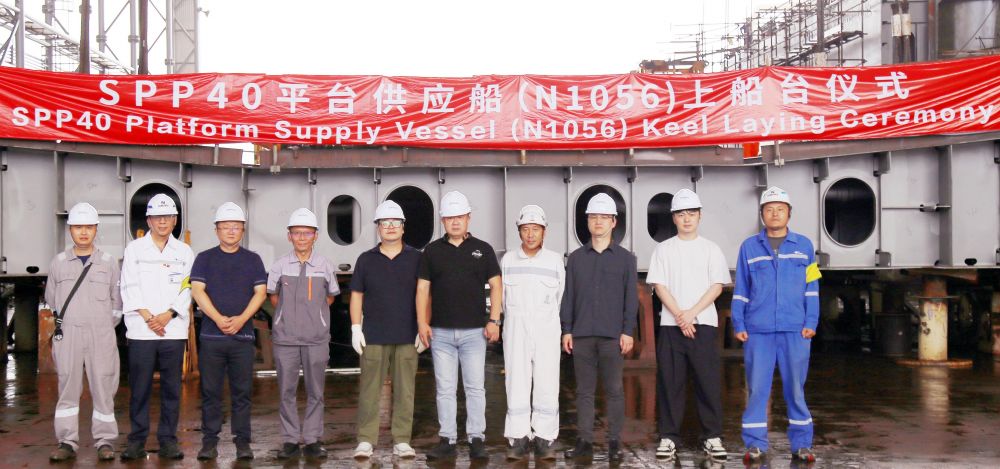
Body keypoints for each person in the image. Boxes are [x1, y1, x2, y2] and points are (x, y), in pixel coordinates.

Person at [732, 186, 821, 464]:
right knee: (757, 389)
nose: (774, 214)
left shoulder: (805, 247)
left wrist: (811, 320)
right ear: (762, 214)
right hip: (758, 330)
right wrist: (738, 321)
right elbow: (741, 289)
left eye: (780, 209)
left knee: (795, 388)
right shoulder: (749, 247)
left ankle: (802, 444)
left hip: (795, 329)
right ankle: (755, 444)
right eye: (769, 209)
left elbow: (812, 287)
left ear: (789, 213)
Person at [417, 190, 502, 461]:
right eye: (450, 217)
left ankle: (477, 439)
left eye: (460, 217)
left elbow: (497, 285)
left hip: (474, 333)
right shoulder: (431, 251)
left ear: (468, 218)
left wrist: (494, 320)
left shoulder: (483, 249)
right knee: (445, 389)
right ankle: (448, 440)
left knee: (475, 388)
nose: (455, 222)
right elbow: (423, 289)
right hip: (440, 333)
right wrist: (422, 323)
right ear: (443, 220)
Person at [646, 189, 730, 460]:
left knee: (707, 382)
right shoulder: (663, 250)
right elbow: (659, 286)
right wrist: (680, 315)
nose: (686, 219)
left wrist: (690, 313)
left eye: (691, 214)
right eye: (681, 214)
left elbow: (717, 286)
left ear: (700, 216)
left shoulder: (711, 249)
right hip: (672, 327)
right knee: (671, 383)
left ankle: (712, 436)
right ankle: (668, 437)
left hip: (703, 324)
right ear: (674, 218)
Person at [560, 193, 638, 463]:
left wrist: (628, 331)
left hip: (612, 336)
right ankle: (584, 442)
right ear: (587, 221)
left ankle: (614, 442)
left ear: (614, 222)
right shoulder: (576, 258)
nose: (598, 222)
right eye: (593, 217)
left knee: (614, 390)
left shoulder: (626, 259)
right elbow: (569, 296)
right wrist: (567, 329)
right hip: (582, 335)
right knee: (584, 391)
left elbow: (631, 298)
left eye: (604, 217)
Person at [119, 193, 195, 461]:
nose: (162, 221)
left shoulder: (184, 252)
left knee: (172, 390)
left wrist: (168, 315)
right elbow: (128, 285)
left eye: (168, 217)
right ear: (149, 220)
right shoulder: (134, 250)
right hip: (142, 330)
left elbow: (188, 287)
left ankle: (168, 441)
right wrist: (148, 317)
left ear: (175, 220)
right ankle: (136, 441)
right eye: (157, 217)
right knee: (139, 389)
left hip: (172, 330)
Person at [45, 202, 122, 462]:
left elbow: (117, 303)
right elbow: (52, 300)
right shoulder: (58, 263)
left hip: (101, 334)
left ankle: (105, 441)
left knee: (104, 386)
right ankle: (67, 441)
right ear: (70, 230)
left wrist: (101, 326)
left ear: (96, 229)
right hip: (68, 335)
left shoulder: (109, 263)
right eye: (78, 227)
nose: (84, 232)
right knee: (67, 386)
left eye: (89, 227)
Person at [190, 202, 267, 461]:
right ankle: (209, 442)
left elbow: (260, 293)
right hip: (212, 337)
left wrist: (241, 319)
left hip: (242, 338)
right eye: (226, 227)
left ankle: (242, 442)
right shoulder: (204, 258)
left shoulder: (252, 260)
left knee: (242, 393)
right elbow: (197, 290)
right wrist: (219, 319)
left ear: (243, 230)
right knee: (210, 393)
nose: (231, 231)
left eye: (236, 227)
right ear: (217, 230)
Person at [350, 200, 423, 460]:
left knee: (406, 390)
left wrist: (423, 326)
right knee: (370, 390)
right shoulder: (366, 259)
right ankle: (365, 440)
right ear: (378, 228)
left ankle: (402, 440)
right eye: (385, 222)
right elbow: (357, 295)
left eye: (395, 222)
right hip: (374, 336)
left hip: (408, 335)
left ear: (403, 227)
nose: (390, 226)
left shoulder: (417, 258)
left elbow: (425, 294)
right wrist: (356, 327)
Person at [267, 208, 340, 460]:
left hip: (316, 339)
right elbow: (273, 297)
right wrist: (288, 316)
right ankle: (289, 440)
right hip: (285, 339)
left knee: (315, 392)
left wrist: (314, 316)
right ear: (289, 236)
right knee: (286, 392)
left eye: (307, 233)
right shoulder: (279, 266)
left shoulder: (325, 266)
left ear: (315, 236)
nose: (301, 237)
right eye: (296, 233)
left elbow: (330, 297)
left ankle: (312, 440)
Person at [500, 205, 564, 461]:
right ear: (519, 232)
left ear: (544, 232)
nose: (530, 234)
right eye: (525, 229)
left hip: (547, 329)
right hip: (516, 328)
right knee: (516, 380)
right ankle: (518, 437)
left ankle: (544, 437)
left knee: (547, 381)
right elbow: (502, 299)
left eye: (535, 229)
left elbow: (561, 297)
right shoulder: (508, 261)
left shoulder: (555, 261)